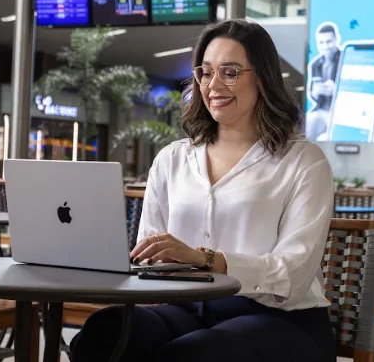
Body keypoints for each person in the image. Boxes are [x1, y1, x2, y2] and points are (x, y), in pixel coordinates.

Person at [70, 20, 335, 362]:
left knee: (198, 352)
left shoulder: (303, 161)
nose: (213, 85)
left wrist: (207, 260)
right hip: (189, 309)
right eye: (206, 73)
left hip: (280, 319)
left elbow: (294, 274)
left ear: (263, 78)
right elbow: (149, 252)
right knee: (105, 331)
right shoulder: (172, 159)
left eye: (230, 72)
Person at [306, 21, 341, 141]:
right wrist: (315, 92)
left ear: (336, 39)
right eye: (321, 42)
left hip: (339, 112)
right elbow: (311, 94)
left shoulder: (345, 58)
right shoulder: (314, 64)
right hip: (321, 110)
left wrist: (336, 90)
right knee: (309, 124)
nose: (325, 46)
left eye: (328, 41)